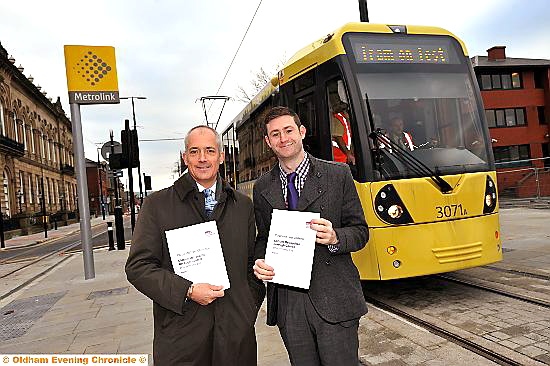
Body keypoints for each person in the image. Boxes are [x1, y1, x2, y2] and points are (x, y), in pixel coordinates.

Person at [125, 125, 265, 366]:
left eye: (210, 150)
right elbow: (138, 267)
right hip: (182, 337)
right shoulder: (157, 205)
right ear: (184, 157)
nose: (202, 158)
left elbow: (250, 263)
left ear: (221, 156)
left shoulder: (242, 205)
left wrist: (247, 309)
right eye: (194, 151)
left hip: (235, 335)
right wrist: (187, 291)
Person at [253, 106, 369, 365]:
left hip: (334, 298)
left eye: (288, 130)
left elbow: (360, 232)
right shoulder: (262, 187)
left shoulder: (338, 175)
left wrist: (335, 237)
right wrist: (260, 261)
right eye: (275, 134)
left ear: (301, 132)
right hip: (288, 302)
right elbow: (264, 238)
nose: (283, 138)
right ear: (268, 142)